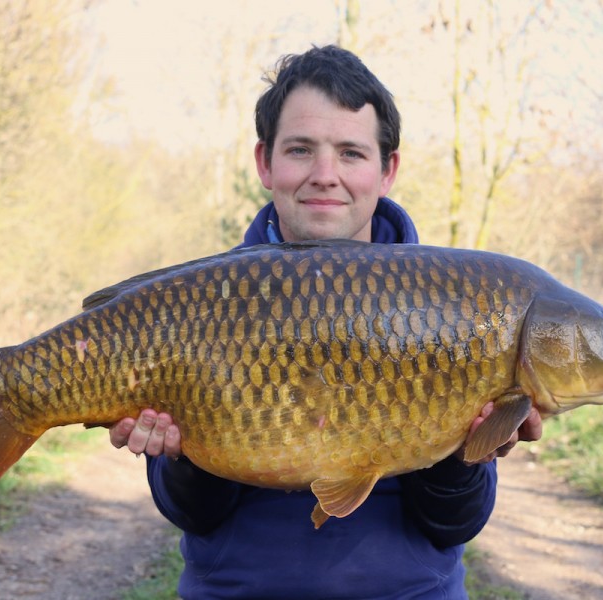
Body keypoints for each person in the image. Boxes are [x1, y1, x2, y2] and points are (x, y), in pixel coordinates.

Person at [109, 45, 542, 599]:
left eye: (351, 153)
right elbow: (193, 513)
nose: (324, 175)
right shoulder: (205, 305)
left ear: (388, 170)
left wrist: (466, 451)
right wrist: (183, 457)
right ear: (265, 163)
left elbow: (454, 523)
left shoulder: (451, 305)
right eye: (300, 149)